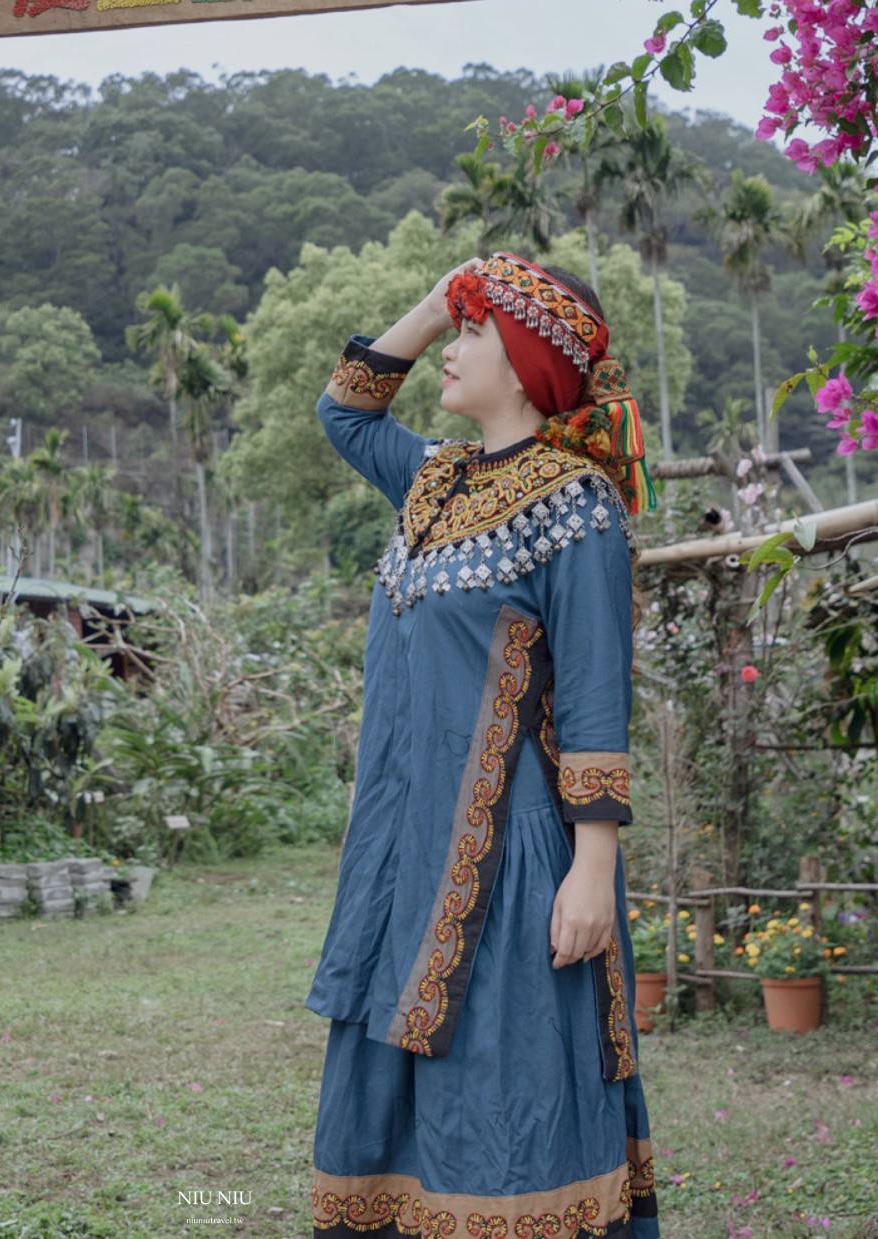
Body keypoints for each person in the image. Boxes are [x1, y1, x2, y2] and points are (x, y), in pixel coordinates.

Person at [306, 250, 662, 1239]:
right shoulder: (431, 478)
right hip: (398, 858)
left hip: (510, 865)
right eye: (456, 330)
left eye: (472, 333)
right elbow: (345, 413)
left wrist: (593, 869)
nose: (448, 350)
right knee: (392, 1119)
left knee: (506, 1105)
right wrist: (437, 301)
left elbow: (596, 699)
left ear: (525, 361)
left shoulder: (576, 505)